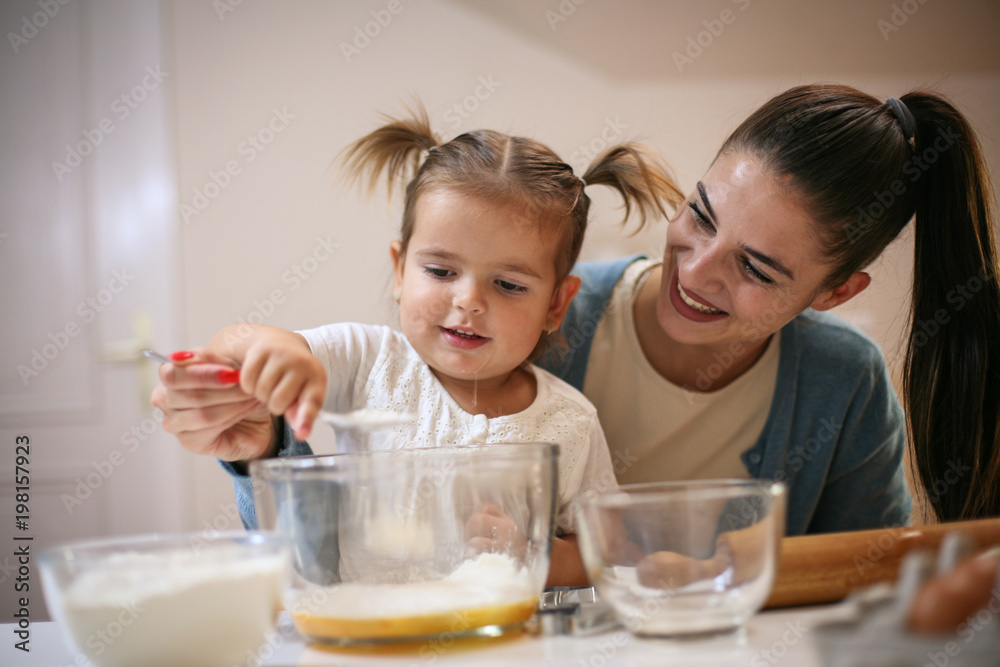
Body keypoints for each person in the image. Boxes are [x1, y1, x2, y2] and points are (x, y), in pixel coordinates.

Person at [156, 83, 1000, 537]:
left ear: (833, 293)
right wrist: (256, 431)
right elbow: (320, 486)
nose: (696, 271)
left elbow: (867, 579)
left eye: (754, 266)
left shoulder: (840, 385)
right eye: (700, 213)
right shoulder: (510, 321)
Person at [154, 104, 684, 587]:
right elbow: (237, 341)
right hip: (371, 639)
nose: (468, 301)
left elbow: (609, 552)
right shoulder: (365, 360)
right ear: (399, 271)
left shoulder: (570, 422)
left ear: (555, 305)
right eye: (440, 270)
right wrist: (268, 351)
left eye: (509, 284)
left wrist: (534, 554)